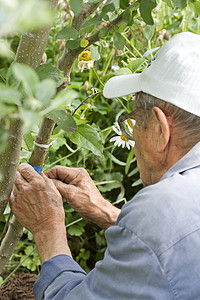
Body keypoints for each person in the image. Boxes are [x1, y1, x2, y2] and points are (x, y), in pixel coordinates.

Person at [10, 32, 200, 299]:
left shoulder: (164, 211)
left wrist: (47, 229)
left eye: (134, 122)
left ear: (160, 128)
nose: (132, 139)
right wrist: (108, 214)